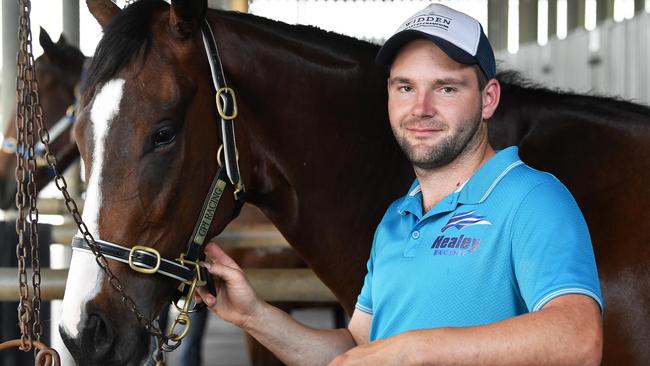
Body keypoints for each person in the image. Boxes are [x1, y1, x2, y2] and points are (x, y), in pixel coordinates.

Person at [195, 4, 604, 365]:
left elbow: (579, 339)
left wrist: (415, 351)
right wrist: (253, 315)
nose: (420, 109)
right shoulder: (396, 220)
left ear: (489, 98)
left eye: (445, 88)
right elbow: (357, 350)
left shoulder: (532, 198)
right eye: (405, 87)